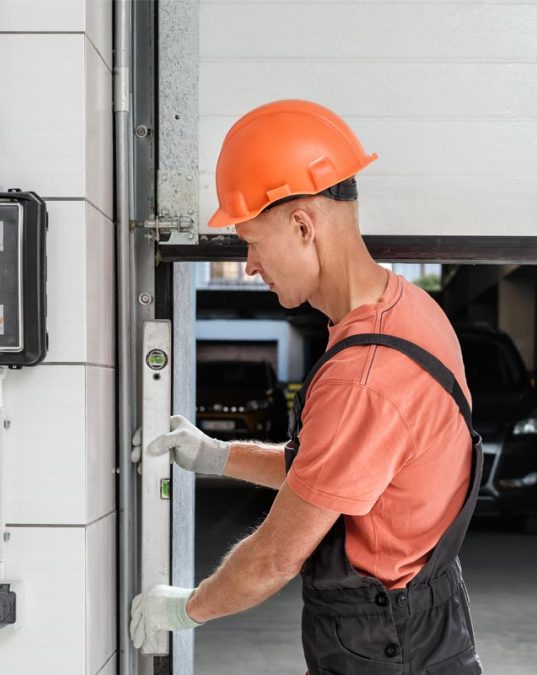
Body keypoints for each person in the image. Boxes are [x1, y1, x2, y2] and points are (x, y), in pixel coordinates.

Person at [130, 99, 484, 674]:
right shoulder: (410, 310)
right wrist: (218, 456)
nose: (248, 265)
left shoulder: (363, 377)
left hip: (386, 646)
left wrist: (186, 611)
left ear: (302, 227)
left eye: (252, 241)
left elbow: (274, 557)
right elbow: (333, 472)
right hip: (426, 622)